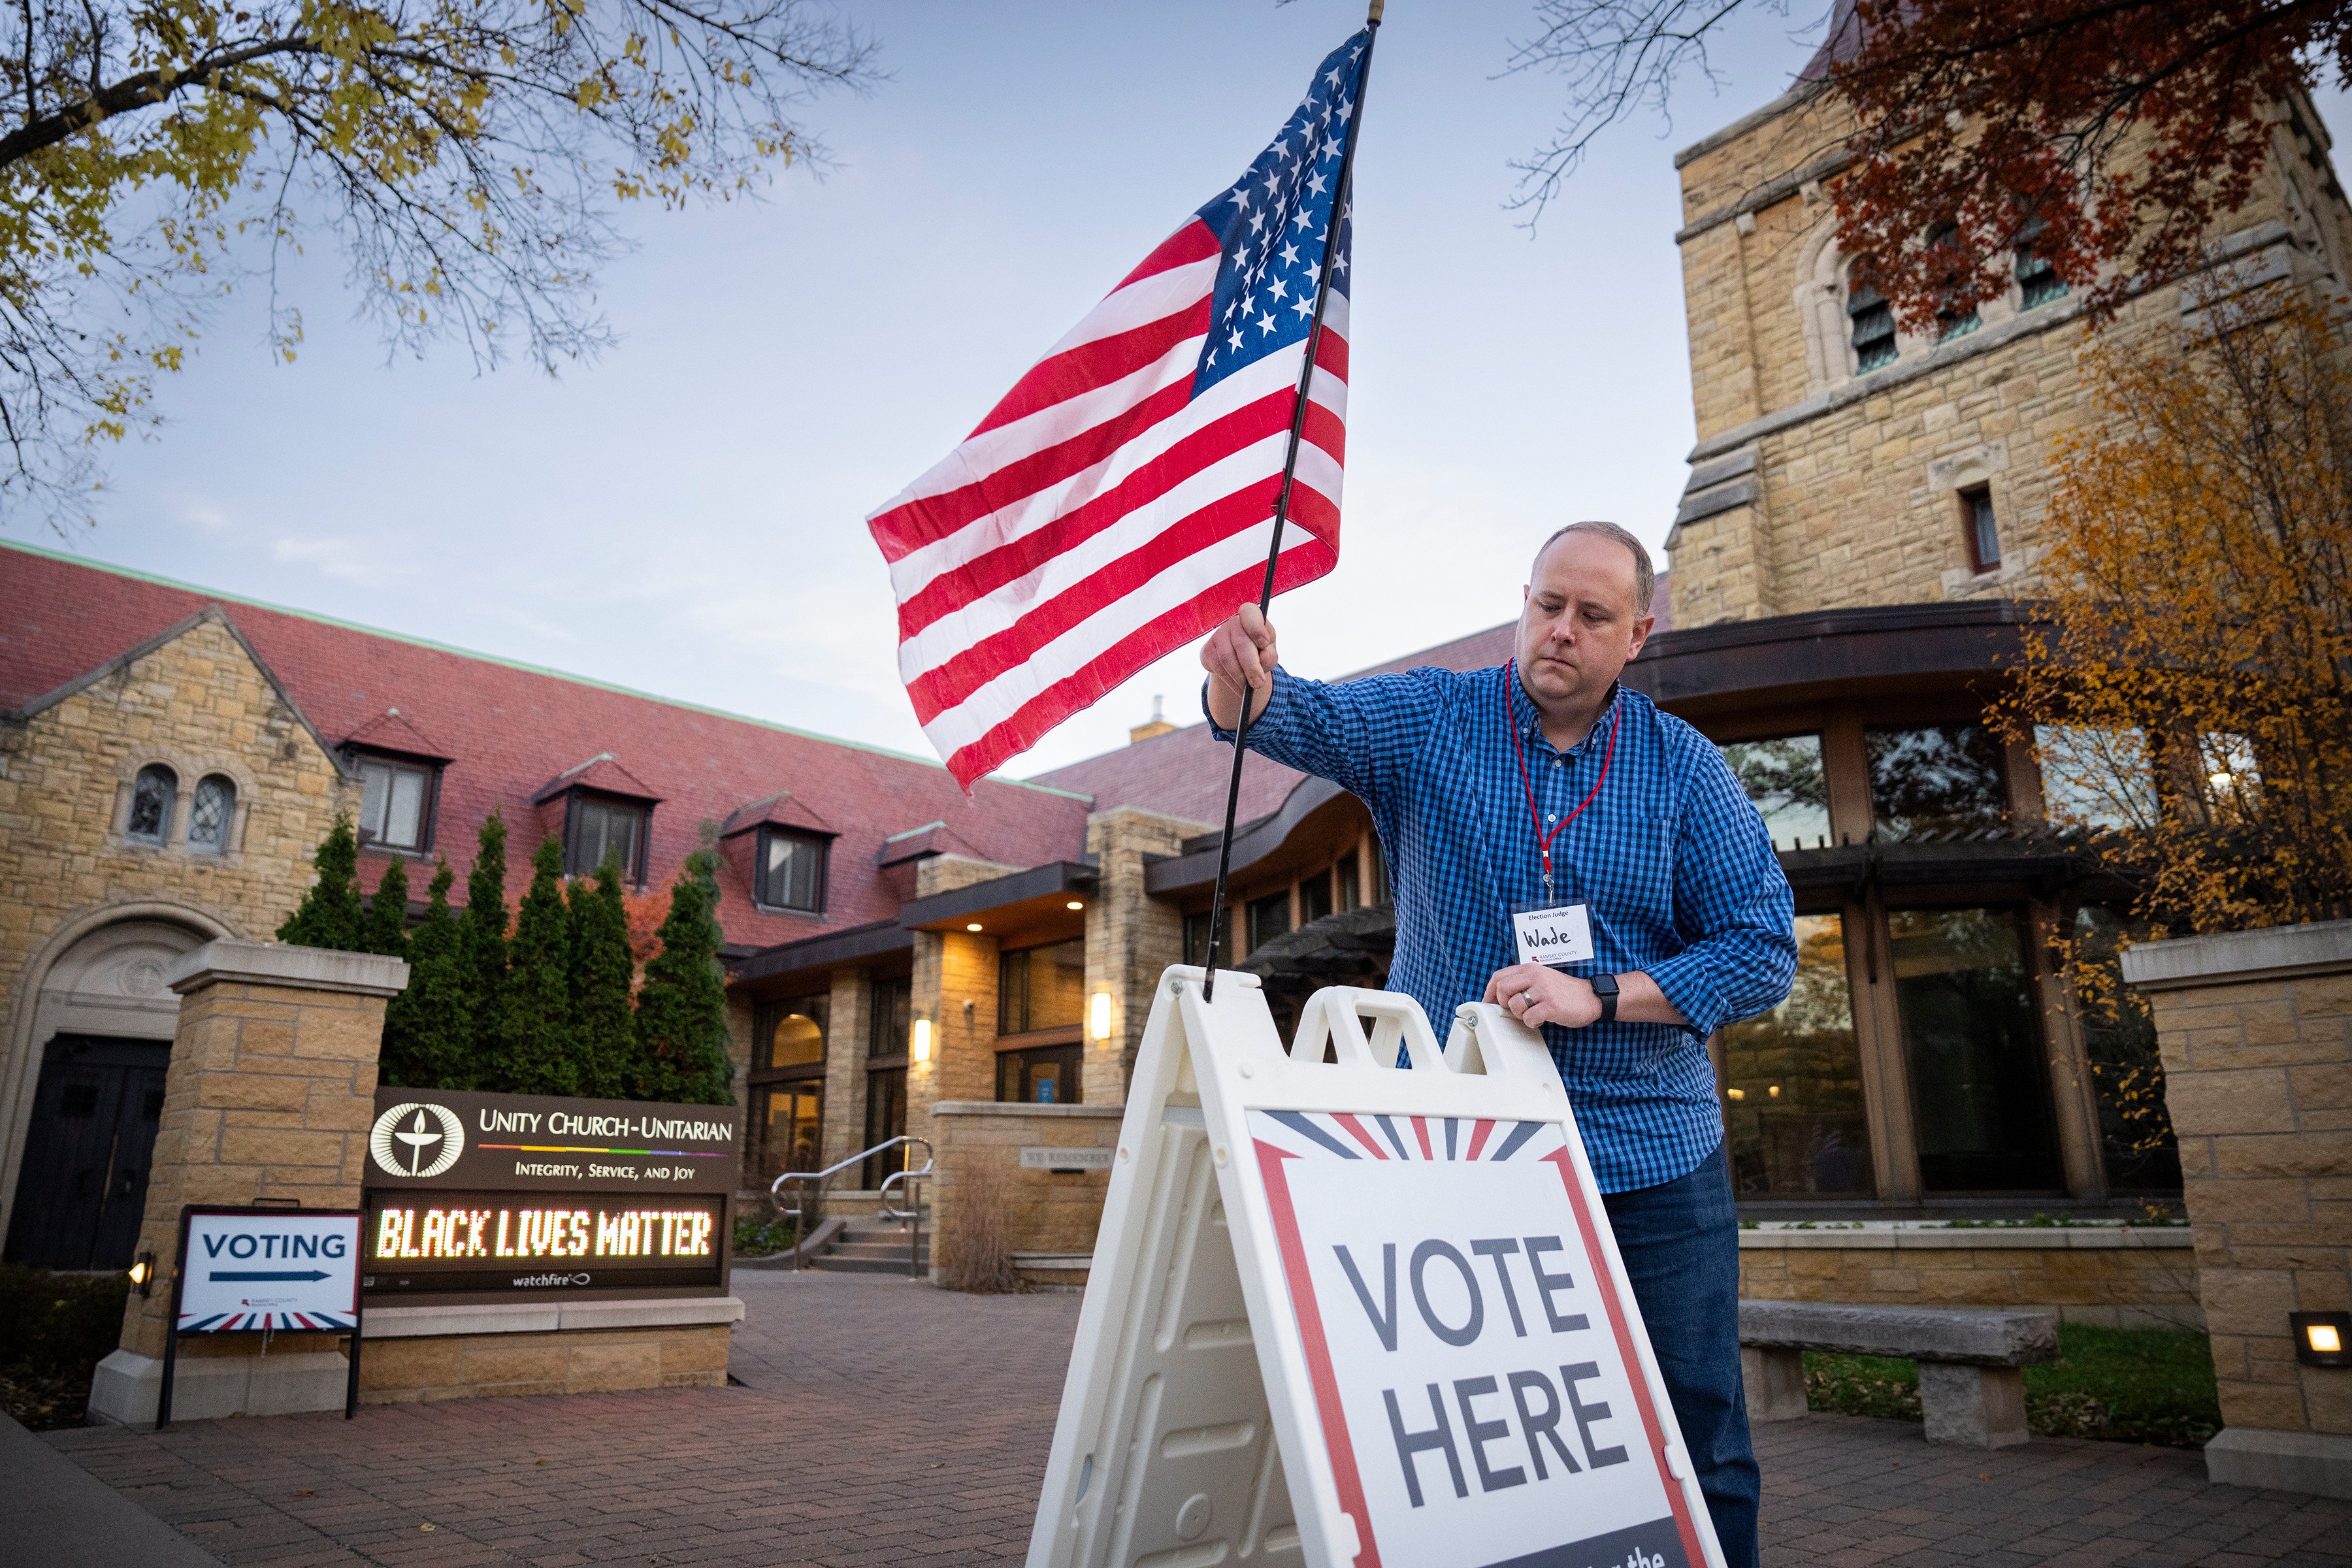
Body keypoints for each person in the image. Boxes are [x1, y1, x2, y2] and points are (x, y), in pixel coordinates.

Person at [1201, 519, 1796, 1568]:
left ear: (1638, 634)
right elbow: (1292, 716)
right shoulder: (1436, 720)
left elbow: (1760, 952)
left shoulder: (1684, 771)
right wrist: (1236, 688)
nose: (1559, 631)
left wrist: (1603, 997)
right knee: (1459, 1449)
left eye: (1591, 616)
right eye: (1545, 604)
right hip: (1456, 1157)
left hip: (1648, 1154)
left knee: (1696, 1437)